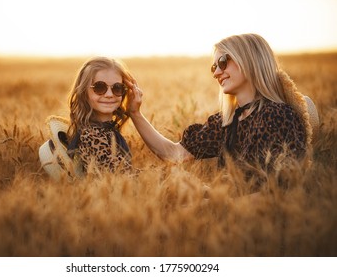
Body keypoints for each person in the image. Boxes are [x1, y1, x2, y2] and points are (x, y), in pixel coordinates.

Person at [127, 33, 318, 189]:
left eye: (223, 62)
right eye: (214, 66)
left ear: (250, 60)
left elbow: (275, 193)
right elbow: (174, 154)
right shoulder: (228, 121)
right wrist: (135, 113)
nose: (216, 72)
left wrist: (208, 201)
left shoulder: (277, 115)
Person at [39, 57, 134, 180]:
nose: (109, 94)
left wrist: (135, 112)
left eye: (117, 88)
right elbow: (116, 180)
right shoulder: (91, 136)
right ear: (84, 92)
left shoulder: (107, 132)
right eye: (99, 87)